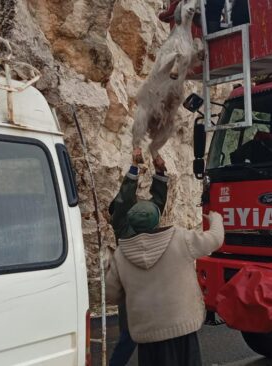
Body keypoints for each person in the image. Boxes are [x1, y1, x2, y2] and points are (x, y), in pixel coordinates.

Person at [105, 150, 225, 366]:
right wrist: (134, 167)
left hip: (147, 322)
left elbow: (156, 203)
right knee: (126, 339)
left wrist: (160, 172)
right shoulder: (170, 237)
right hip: (179, 323)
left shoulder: (124, 249)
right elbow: (127, 199)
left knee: (132, 340)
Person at [107, 148, 167, 366]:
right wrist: (158, 172)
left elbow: (131, 201)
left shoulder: (126, 228)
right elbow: (156, 202)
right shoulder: (136, 225)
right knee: (148, 337)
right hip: (148, 290)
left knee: (129, 337)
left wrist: (137, 168)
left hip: (130, 292)